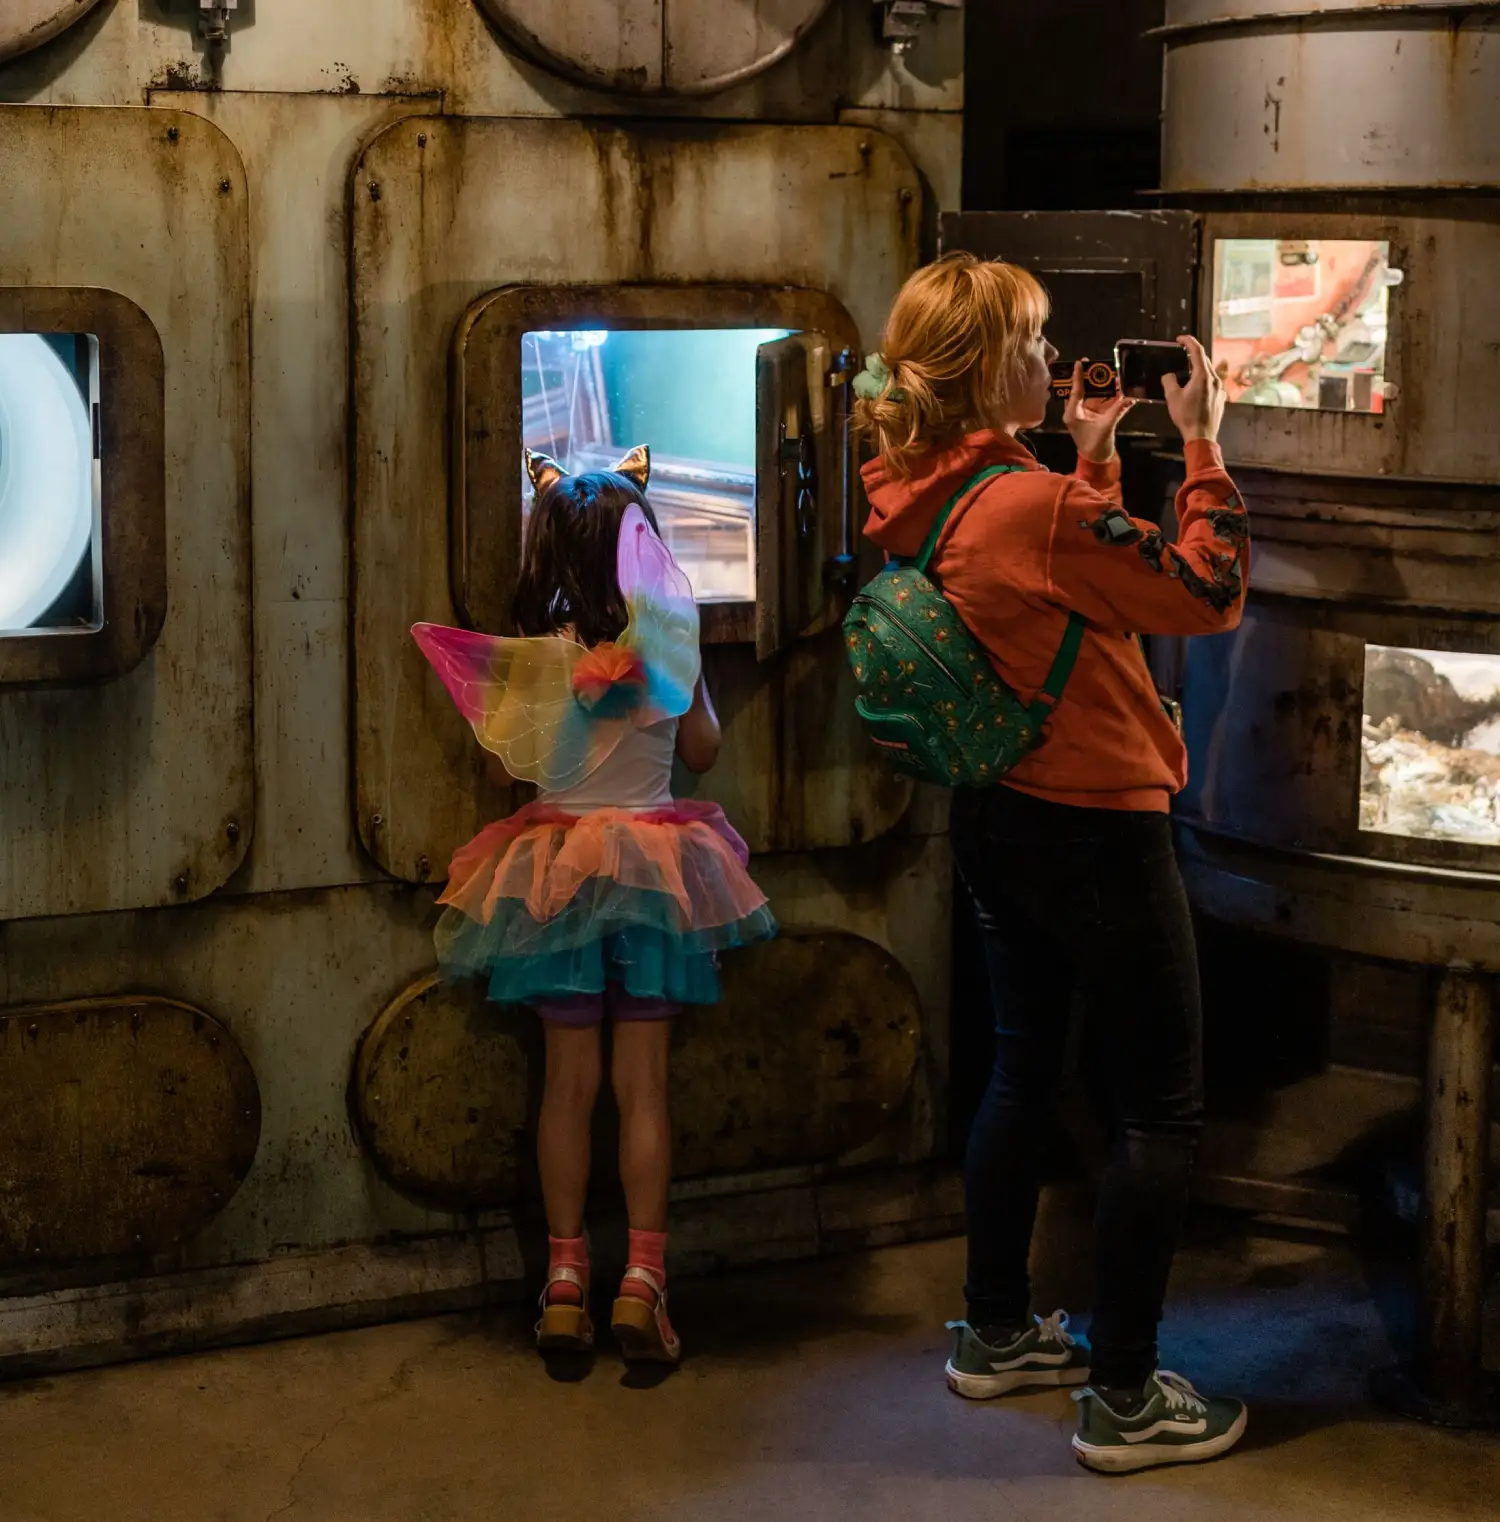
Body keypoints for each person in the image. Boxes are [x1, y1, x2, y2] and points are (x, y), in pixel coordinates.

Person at [852, 253, 1249, 1474]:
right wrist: (1204, 448)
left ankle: (999, 1329)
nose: (1051, 355)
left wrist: (1086, 454)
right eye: (1030, 342)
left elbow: (1049, 590)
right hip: (1098, 825)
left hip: (1000, 816)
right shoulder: (1034, 506)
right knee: (1161, 1108)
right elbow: (1205, 591)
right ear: (985, 371)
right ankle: (1125, 1396)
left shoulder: (937, 489)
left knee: (1022, 1073)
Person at [411, 445, 776, 1368]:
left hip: (556, 876)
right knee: (642, 1088)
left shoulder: (538, 658)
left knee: (566, 1089)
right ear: (639, 542)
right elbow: (699, 753)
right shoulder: (669, 641)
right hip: (656, 869)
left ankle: (564, 1284)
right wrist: (692, 686)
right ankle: (643, 1286)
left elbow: (517, 766)